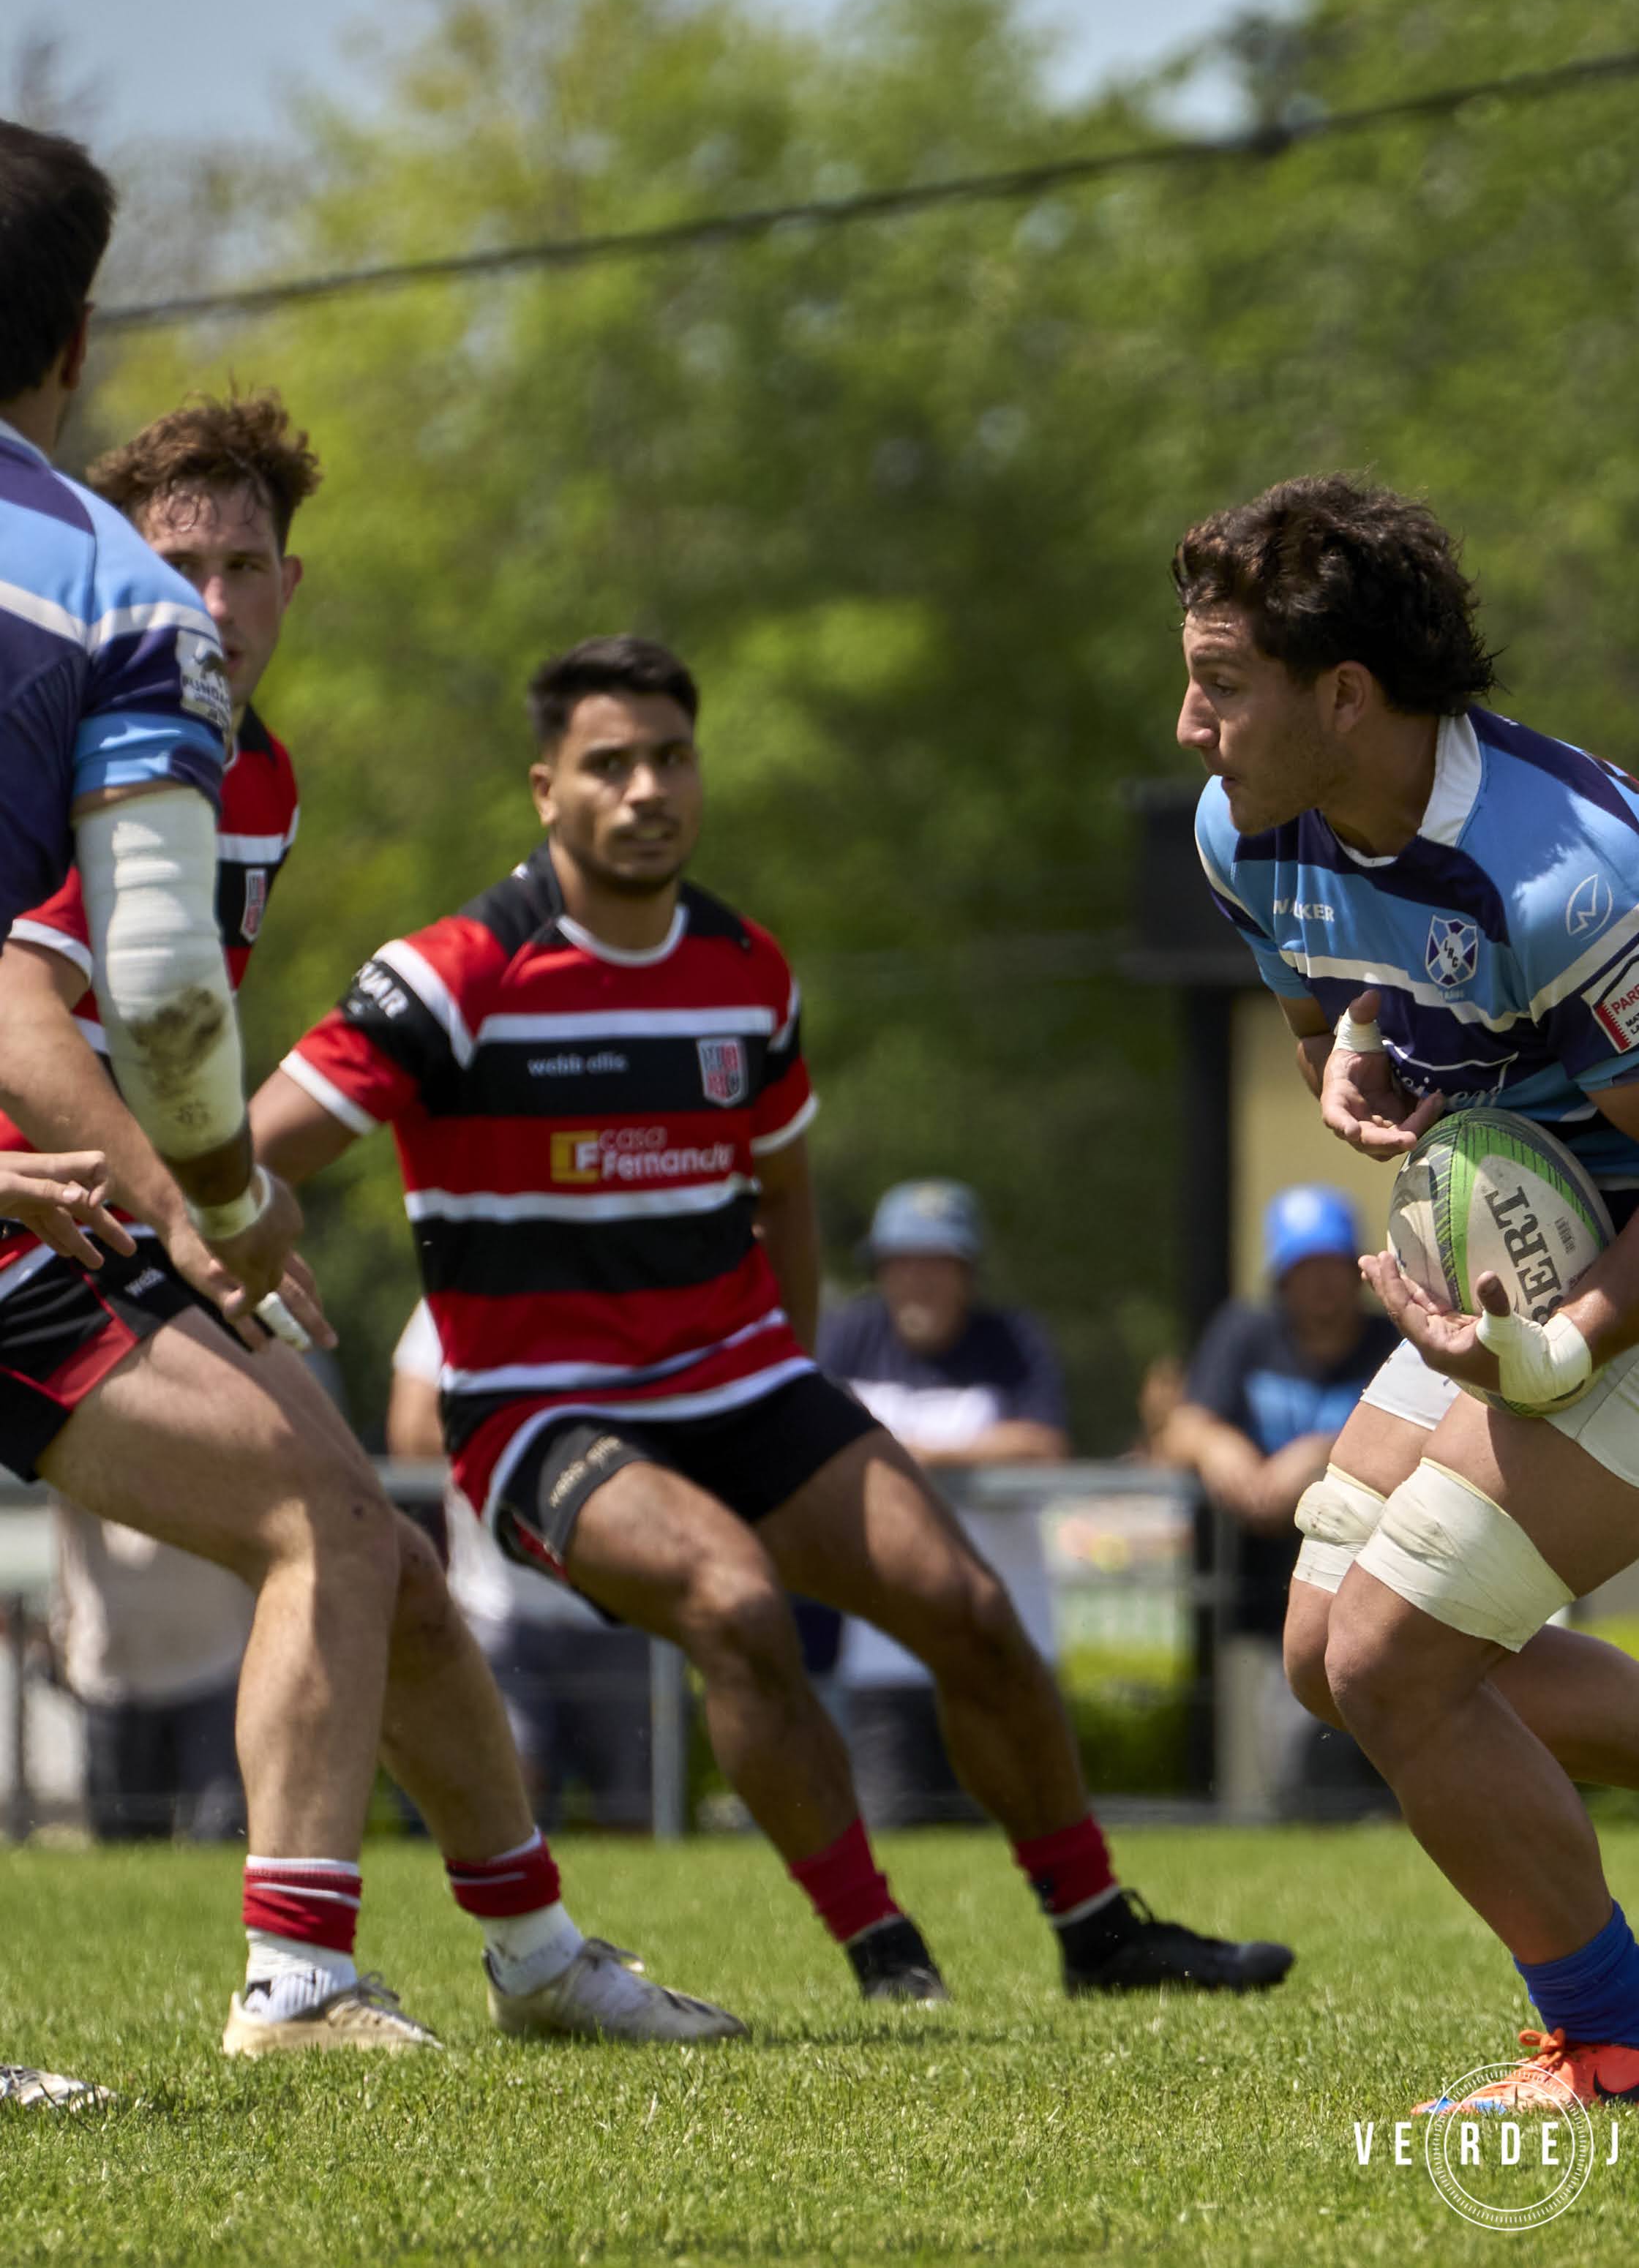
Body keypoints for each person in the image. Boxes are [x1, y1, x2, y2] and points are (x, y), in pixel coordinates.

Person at [252, 634, 1291, 2003]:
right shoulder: (455, 973)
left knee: (970, 1609)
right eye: (608, 764)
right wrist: (239, 1223)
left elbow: (786, 1186)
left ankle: (1102, 1930)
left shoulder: (747, 968)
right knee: (735, 1602)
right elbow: (256, 1142)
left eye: (670, 757)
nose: (645, 790)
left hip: (743, 1379)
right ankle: (886, 1950)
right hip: (538, 1408)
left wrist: (792, 1374)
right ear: (544, 790)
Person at [0, 169, 736, 2057]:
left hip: (72, 1207)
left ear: (291, 582)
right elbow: (36, 999)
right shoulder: (102, 651)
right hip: (48, 1221)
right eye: (190, 563)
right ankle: (299, 1974)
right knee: (330, 1516)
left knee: (381, 1561)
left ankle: (538, 1952)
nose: (216, 600)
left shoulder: (257, 775)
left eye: (248, 567)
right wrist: (199, 1195)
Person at [1184, 474, 1639, 2114]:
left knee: (1396, 1665)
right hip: (1548, 1257)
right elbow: (1324, 997)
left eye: (1222, 682)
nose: (1188, 722)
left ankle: (1619, 2048)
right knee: (1329, 1649)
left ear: (1346, 699)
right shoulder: (1247, 827)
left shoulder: (1563, 878)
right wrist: (1349, 1056)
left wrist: (1549, 1350)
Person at [818, 1178, 1068, 1826]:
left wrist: (920, 1454)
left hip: (1003, 1636)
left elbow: (1043, 1444)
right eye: (902, 1263)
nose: (919, 1281)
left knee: (1019, 1827)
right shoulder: (849, 1336)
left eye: (937, 1264)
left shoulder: (1012, 1340)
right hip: (883, 1645)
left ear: (967, 1272)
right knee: (894, 1835)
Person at [1152, 1182, 1400, 1819]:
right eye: (1302, 1269)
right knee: (1290, 1755)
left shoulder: (1391, 1343)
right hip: (1269, 1595)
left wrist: (1321, 1451)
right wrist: (1218, 1446)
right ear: (1280, 1278)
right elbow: (1181, 1428)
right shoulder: (1245, 1334)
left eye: (1331, 1267)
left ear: (1357, 1273)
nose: (1319, 1285)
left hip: (1378, 1582)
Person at [391, 1302, 653, 1830]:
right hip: (495, 1613)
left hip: (621, 1609)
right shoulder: (455, 1287)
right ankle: (525, 1914)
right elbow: (410, 1435)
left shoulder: (627, 1273)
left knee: (636, 1813)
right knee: (504, 1803)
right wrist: (537, 1443)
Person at [49, 1503, 248, 1841]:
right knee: (123, 1844)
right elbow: (66, 1558)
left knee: (222, 1832)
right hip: (111, 1682)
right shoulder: (82, 1466)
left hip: (212, 1674)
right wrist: (65, 1639)